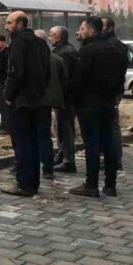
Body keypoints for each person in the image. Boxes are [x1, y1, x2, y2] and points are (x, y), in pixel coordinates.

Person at [68, 17, 127, 198]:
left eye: (82, 28)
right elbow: (121, 76)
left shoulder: (88, 51)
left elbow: (78, 80)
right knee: (108, 143)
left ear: (92, 31)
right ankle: (110, 185)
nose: (80, 31)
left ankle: (91, 184)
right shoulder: (117, 49)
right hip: (109, 103)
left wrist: (72, 101)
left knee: (92, 144)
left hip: (89, 105)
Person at [1, 11, 50, 197]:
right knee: (33, 143)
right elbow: (47, 72)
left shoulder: (19, 43)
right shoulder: (41, 43)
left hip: (21, 102)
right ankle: (33, 183)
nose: (6, 27)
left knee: (22, 144)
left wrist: (8, 95)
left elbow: (15, 72)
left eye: (9, 23)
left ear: (20, 24)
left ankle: (24, 184)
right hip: (37, 101)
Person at [36, 30, 68, 181]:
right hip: (50, 102)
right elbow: (64, 79)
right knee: (45, 135)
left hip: (35, 102)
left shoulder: (34, 59)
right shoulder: (57, 58)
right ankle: (48, 169)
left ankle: (28, 167)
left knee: (35, 134)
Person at [49, 26, 78, 173]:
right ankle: (62, 155)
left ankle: (68, 161)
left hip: (65, 99)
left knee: (64, 128)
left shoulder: (65, 53)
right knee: (62, 128)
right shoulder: (65, 50)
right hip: (64, 98)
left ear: (59, 38)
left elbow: (64, 79)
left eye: (51, 35)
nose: (49, 38)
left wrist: (60, 97)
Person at [101, 18, 129, 169]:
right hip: (114, 88)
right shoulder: (115, 44)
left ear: (110, 28)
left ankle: (115, 159)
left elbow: (114, 71)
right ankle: (112, 158)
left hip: (110, 90)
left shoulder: (113, 45)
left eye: (103, 26)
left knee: (111, 125)